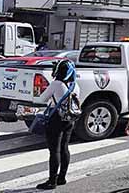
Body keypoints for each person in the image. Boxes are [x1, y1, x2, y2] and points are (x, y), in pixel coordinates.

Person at [33, 59, 80, 190]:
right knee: (65, 148)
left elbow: (42, 99)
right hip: (70, 119)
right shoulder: (74, 85)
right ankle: (62, 177)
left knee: (54, 151)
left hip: (56, 119)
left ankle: (51, 181)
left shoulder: (56, 84)